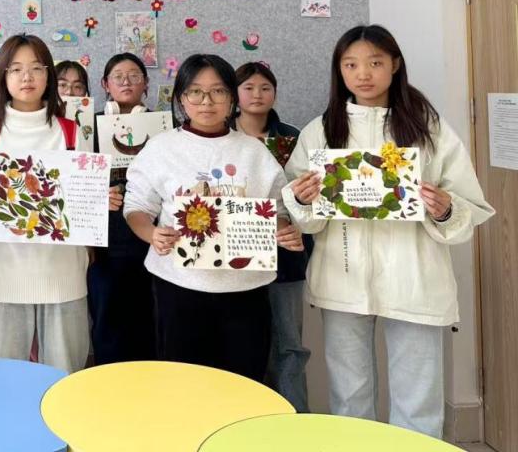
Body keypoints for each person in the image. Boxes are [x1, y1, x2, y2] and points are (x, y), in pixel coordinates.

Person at [284, 25, 494, 437]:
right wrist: (304, 200)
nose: (363, 74)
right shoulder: (321, 130)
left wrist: (445, 208)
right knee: (349, 394)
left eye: (375, 62)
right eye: (351, 65)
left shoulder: (427, 127)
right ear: (339, 71)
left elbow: (466, 201)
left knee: (418, 394)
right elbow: (304, 214)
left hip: (414, 272)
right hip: (343, 274)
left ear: (395, 65)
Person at [124, 54, 304, 380]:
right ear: (181, 98)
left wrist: (283, 231)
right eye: (195, 92)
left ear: (232, 98)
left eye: (218, 91)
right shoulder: (161, 148)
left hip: (246, 289)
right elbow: (136, 207)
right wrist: (151, 234)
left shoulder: (254, 151)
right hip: (178, 285)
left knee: (244, 382)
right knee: (185, 383)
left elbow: (275, 209)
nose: (206, 102)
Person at [0, 34, 89, 373]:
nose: (26, 77)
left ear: (48, 75)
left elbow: (85, 208)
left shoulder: (72, 133)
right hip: (1, 279)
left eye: (36, 68)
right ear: (2, 77)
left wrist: (97, 201)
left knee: (64, 381)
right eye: (15, 69)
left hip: (63, 277)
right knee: (6, 382)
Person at [234, 61, 310, 411]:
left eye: (265, 88)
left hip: (286, 256)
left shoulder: (293, 138)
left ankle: (295, 422)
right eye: (248, 87)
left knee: (289, 344)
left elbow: (307, 195)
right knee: (245, 343)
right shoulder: (222, 137)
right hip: (235, 257)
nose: (257, 94)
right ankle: (249, 419)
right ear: (235, 94)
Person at [87, 53, 155, 364]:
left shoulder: (163, 128)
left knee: (149, 323)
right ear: (105, 84)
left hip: (151, 241)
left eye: (134, 75)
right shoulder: (88, 128)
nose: (126, 82)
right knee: (107, 324)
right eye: (118, 76)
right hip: (105, 245)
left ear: (146, 83)